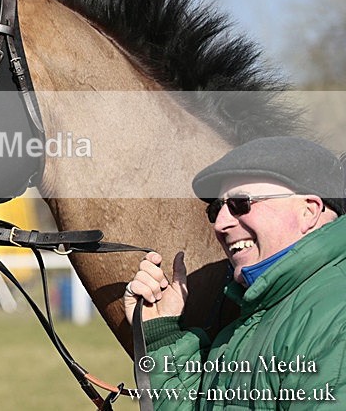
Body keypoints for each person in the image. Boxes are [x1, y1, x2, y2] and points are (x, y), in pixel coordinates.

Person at [123, 136, 345, 409]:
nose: (220, 224)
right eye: (216, 209)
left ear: (309, 211)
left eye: (240, 203)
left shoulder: (337, 320)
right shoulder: (243, 327)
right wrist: (162, 332)